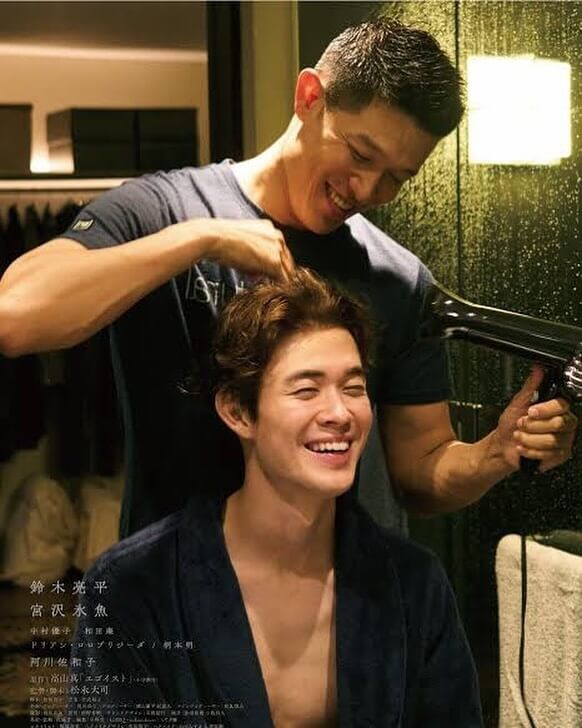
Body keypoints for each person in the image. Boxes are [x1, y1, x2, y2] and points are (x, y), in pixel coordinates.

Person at [0, 19, 576, 536]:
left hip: (340, 600)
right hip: (175, 596)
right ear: (309, 97)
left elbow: (419, 472)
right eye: (360, 154)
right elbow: (16, 316)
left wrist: (494, 454)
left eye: (396, 178)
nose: (367, 190)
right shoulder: (162, 209)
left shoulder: (400, 281)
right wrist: (198, 240)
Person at [65, 270, 484, 727]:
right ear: (238, 411)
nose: (340, 413)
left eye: (353, 388)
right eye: (306, 390)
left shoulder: (414, 585)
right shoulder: (132, 586)